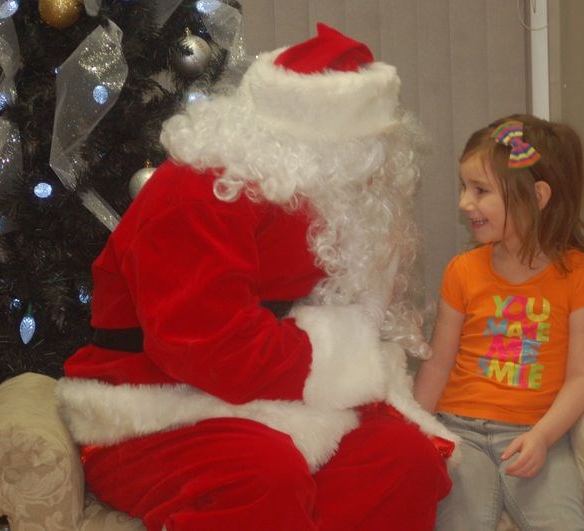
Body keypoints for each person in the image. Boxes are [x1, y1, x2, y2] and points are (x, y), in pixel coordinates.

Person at [56, 24, 456, 531]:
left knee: (404, 458)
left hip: (276, 390)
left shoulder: (333, 201)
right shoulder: (199, 194)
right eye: (361, 150)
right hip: (156, 403)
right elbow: (211, 348)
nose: (373, 169)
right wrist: (343, 356)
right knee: (263, 475)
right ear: (311, 143)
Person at [413, 114, 584, 530]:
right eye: (464, 187)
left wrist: (543, 436)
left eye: (480, 190)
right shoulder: (462, 270)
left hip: (533, 434)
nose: (464, 202)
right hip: (459, 433)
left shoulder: (581, 273)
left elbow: (582, 376)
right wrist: (416, 427)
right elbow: (438, 362)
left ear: (537, 196)